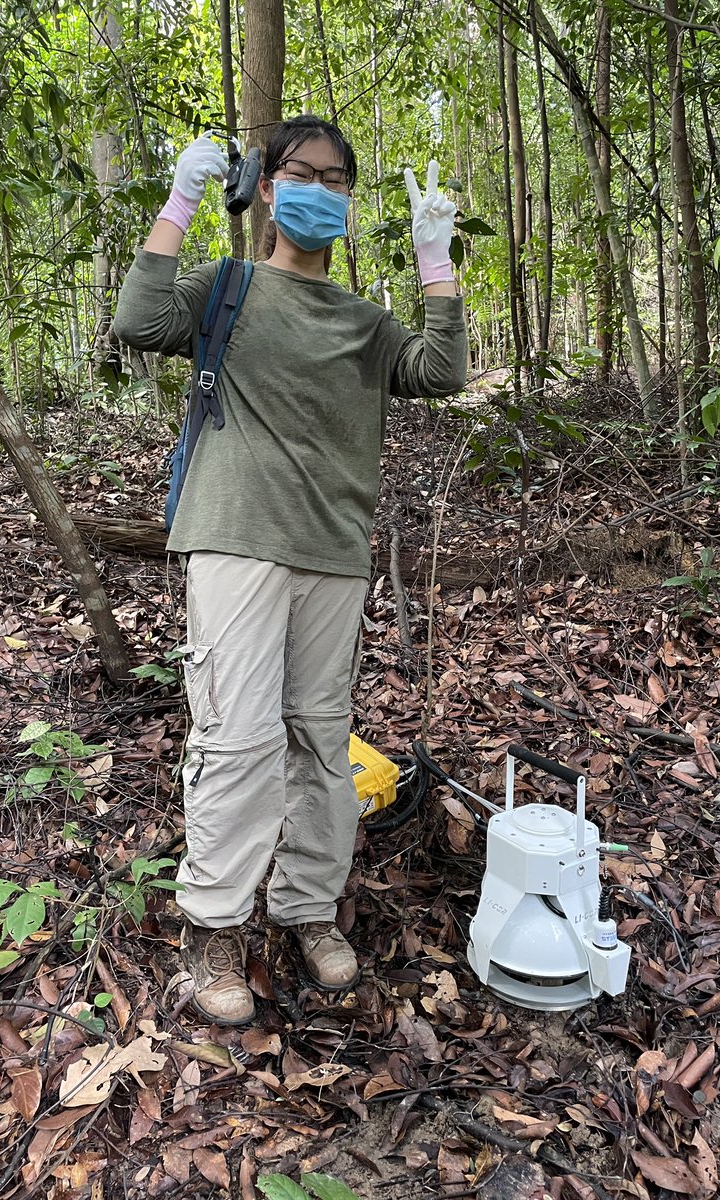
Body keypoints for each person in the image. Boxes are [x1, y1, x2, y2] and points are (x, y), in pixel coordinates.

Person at [113, 115, 467, 1025]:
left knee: (320, 739)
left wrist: (437, 260)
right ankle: (214, 931)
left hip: (335, 551)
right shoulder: (226, 288)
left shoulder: (362, 320)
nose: (321, 189)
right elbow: (138, 320)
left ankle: (307, 909)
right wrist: (182, 199)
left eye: (338, 179)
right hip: (235, 536)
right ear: (267, 187)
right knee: (236, 740)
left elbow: (440, 372)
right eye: (303, 173)